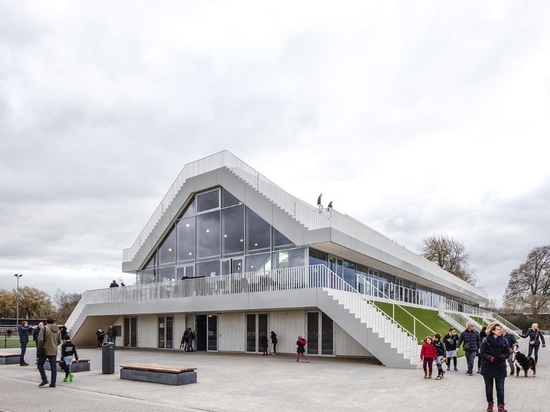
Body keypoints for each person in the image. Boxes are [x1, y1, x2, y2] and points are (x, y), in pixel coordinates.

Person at [480, 323, 510, 412]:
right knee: (489, 389)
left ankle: (501, 406)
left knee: (500, 388)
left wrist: (502, 356)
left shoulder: (504, 341)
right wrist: (491, 358)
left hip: (500, 367)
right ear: (493, 330)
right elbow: (482, 353)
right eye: (498, 329)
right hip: (488, 366)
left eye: (500, 329)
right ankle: (490, 403)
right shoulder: (486, 340)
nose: (500, 331)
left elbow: (507, 353)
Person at [37, 317, 62, 388]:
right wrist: (55, 345)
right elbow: (59, 341)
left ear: (46, 322)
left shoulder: (44, 329)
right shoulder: (58, 330)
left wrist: (40, 346)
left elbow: (40, 340)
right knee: (53, 367)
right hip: (53, 350)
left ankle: (44, 378)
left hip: (45, 350)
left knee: (40, 364)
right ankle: (53, 383)